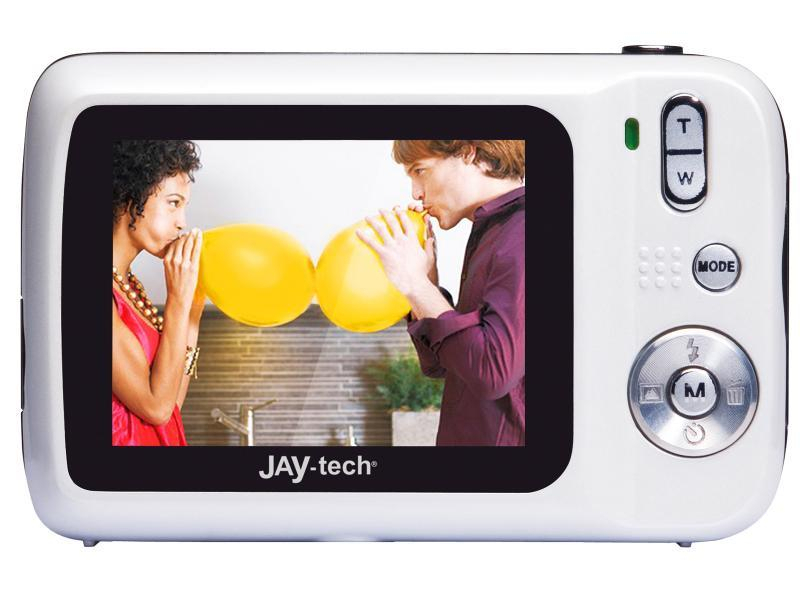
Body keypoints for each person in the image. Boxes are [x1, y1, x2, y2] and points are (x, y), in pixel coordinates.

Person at [355, 140, 525, 446]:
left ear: (468, 153)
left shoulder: (522, 231)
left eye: (420, 171)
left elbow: (493, 372)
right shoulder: (490, 232)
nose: (416, 193)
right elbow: (443, 365)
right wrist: (425, 289)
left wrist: (416, 284)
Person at [111, 140, 205, 446]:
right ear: (130, 198)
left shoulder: (131, 288)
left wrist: (191, 315)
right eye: (173, 203)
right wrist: (177, 301)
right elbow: (155, 408)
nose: (182, 223)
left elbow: (171, 405)